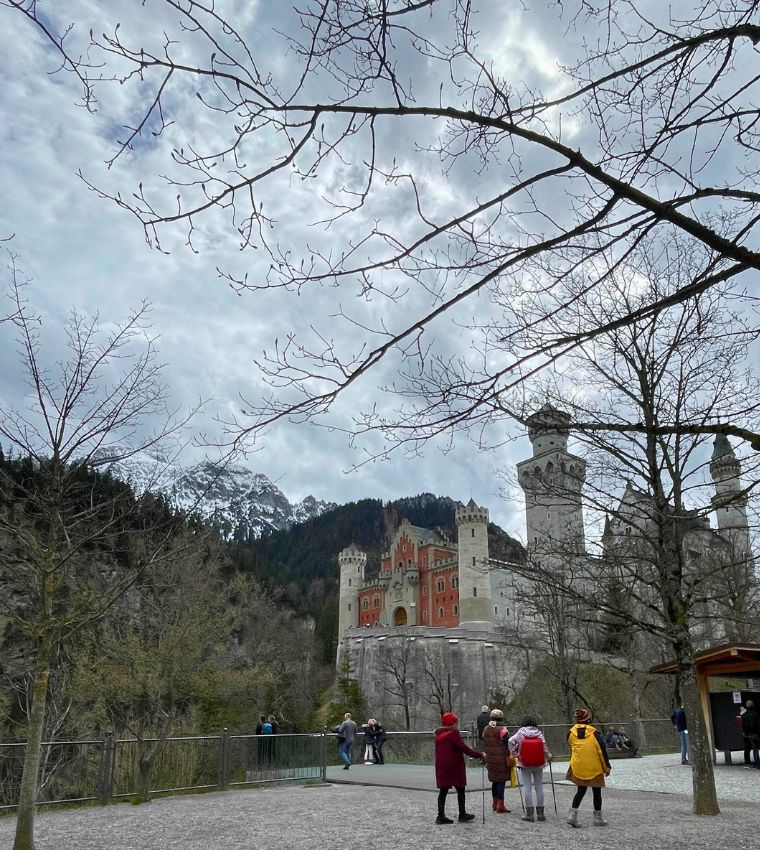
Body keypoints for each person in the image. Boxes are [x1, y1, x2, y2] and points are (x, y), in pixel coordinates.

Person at [434, 711, 485, 824]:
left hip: (441, 765)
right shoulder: (453, 734)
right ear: (452, 723)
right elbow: (463, 748)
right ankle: (462, 814)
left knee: (443, 791)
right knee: (460, 789)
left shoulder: (439, 735)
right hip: (454, 765)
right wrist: (479, 754)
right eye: (456, 722)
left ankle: (440, 816)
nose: (457, 724)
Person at [566, 707, 611, 828]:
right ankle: (598, 818)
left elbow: (571, 748)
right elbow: (602, 750)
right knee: (597, 791)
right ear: (588, 719)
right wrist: (607, 766)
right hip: (594, 766)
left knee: (580, 791)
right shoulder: (595, 733)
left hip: (578, 765)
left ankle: (572, 816)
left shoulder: (570, 733)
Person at [509, 715, 552, 822]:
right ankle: (540, 814)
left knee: (527, 787)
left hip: (524, 763)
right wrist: (548, 756)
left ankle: (529, 814)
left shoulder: (520, 733)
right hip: (538, 763)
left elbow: (510, 741)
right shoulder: (539, 733)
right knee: (539, 787)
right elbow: (544, 748)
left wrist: (515, 754)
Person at [482, 708, 512, 814]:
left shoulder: (486, 729)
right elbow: (509, 742)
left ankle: (494, 803)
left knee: (494, 780)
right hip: (501, 759)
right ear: (501, 718)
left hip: (490, 758)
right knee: (501, 781)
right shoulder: (503, 730)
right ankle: (500, 805)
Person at [741, 700, 760, 769]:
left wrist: (745, 732)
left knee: (747, 748)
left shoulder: (744, 715)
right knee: (755, 748)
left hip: (746, 734)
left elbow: (743, 725)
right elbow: (758, 725)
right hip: (754, 733)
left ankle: (747, 762)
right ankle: (757, 762)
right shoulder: (756, 714)